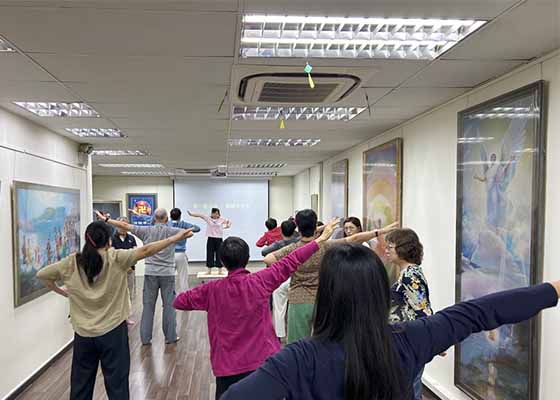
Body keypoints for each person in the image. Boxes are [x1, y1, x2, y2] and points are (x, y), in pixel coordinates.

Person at [220, 243, 560, 400]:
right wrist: (552, 290)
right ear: (379, 292)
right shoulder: (412, 338)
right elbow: (479, 312)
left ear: (327, 295)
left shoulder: (296, 359)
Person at [173, 218, 339, 400]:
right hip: (264, 366)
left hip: (227, 368)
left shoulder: (210, 290)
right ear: (247, 259)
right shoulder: (261, 281)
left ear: (222, 261)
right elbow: (292, 260)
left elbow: (179, 301)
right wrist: (320, 240)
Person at [37, 221, 193, 400]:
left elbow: (42, 275)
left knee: (80, 387)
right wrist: (174, 238)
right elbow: (146, 250)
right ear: (109, 241)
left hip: (83, 335)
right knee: (117, 386)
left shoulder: (71, 262)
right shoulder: (116, 258)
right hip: (113, 333)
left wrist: (64, 292)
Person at [264, 209, 397, 343]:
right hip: (323, 298)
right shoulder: (325, 246)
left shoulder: (292, 249)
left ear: (297, 228)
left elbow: (268, 259)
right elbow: (355, 239)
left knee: (298, 344)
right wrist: (379, 232)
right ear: (315, 226)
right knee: (324, 342)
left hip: (298, 300)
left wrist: (290, 265)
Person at [97, 209, 186, 345]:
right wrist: (180, 230)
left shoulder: (145, 230)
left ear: (153, 219)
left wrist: (106, 220)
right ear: (167, 219)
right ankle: (171, 336)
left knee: (148, 307)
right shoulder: (172, 231)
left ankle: (145, 338)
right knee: (169, 306)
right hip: (167, 274)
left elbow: (125, 225)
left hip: (150, 273)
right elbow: (191, 232)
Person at [385, 228, 433, 400]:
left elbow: (422, 309)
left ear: (403, 249)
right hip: (407, 339)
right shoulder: (407, 273)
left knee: (411, 388)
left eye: (390, 247)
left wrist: (435, 336)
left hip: (412, 340)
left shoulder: (410, 276)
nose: (386, 250)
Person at [188, 208, 232, 275]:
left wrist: (228, 225)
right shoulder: (208, 218)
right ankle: (209, 271)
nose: (216, 215)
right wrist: (191, 214)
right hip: (211, 238)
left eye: (217, 213)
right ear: (212, 213)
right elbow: (200, 215)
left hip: (219, 239)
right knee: (209, 254)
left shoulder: (221, 219)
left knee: (219, 254)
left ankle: (220, 270)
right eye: (215, 213)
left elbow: (229, 221)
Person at [111, 216, 138, 326]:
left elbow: (136, 254)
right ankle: (117, 317)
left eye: (125, 225)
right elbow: (112, 256)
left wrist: (131, 266)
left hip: (130, 270)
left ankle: (126, 316)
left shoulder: (131, 238)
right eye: (120, 225)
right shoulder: (111, 239)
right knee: (118, 294)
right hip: (117, 272)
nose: (122, 227)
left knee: (129, 293)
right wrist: (124, 267)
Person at [168, 208, 201, 288]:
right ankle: (184, 295)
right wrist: (189, 228)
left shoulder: (167, 224)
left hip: (169, 254)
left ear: (170, 216)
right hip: (181, 254)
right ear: (180, 216)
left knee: (168, 278)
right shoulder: (183, 224)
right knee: (183, 278)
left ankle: (169, 295)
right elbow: (197, 228)